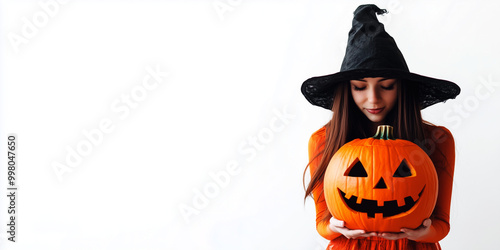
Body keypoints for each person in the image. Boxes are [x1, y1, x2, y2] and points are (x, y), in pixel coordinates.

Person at [301, 4, 460, 250]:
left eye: (386, 86)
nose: (373, 99)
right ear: (347, 90)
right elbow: (322, 223)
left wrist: (421, 233)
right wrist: (333, 227)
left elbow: (441, 225)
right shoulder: (323, 140)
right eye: (359, 87)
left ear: (402, 88)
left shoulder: (437, 138)